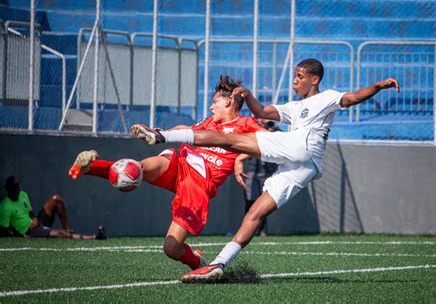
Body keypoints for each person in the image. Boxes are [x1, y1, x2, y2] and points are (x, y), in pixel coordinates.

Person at [131, 58, 400, 283]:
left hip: (301, 146)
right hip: (306, 165)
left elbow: (352, 98)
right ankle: (218, 265)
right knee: (255, 213)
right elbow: (260, 110)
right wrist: (247, 95)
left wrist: (378, 86)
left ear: (314, 79)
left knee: (228, 139)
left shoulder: (327, 98)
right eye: (294, 76)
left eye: (299, 76)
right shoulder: (293, 108)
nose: (295, 81)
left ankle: (162, 136)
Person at [68, 75, 266, 274]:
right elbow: (185, 130)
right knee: (135, 169)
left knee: (171, 248)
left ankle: (197, 263)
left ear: (229, 101)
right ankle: (89, 167)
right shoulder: (209, 122)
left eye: (214, 102)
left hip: (197, 186)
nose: (211, 107)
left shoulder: (245, 123)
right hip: (180, 163)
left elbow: (269, 141)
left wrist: (240, 158)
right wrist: (160, 134)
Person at [0, 176, 105, 239]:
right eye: (14, 188)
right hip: (30, 231)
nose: (17, 190)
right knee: (60, 234)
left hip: (37, 223)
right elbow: (4, 229)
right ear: (8, 190)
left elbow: (30, 212)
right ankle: (94, 237)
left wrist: (35, 218)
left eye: (17, 187)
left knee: (56, 199)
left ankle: (68, 230)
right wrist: (21, 235)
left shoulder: (23, 194)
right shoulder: (5, 206)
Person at [235, 120, 280, 237]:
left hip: (266, 173)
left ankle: (263, 231)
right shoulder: (251, 130)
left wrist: (272, 131)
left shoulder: (273, 130)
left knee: (264, 203)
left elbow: (282, 140)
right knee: (249, 201)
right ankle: (248, 230)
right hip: (251, 171)